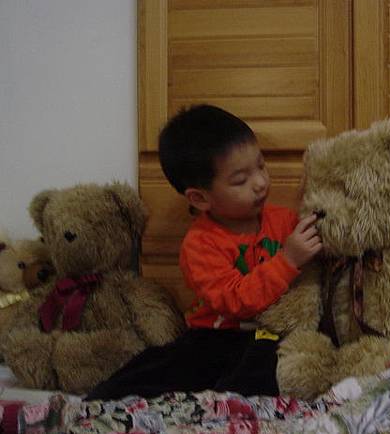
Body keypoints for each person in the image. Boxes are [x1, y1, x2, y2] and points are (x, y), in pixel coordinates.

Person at [85, 105, 322, 400]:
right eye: (240, 180)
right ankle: (99, 405)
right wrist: (287, 260)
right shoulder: (200, 245)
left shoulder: (283, 220)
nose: (260, 183)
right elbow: (235, 300)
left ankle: (229, 407)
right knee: (157, 367)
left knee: (262, 369)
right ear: (200, 198)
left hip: (269, 334)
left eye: (261, 166)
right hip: (214, 337)